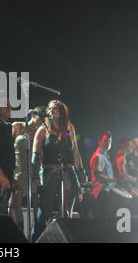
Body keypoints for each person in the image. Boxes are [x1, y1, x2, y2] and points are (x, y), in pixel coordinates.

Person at [30, 100, 85, 242]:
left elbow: (75, 152)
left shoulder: (69, 129)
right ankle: (36, 239)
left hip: (68, 173)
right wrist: (35, 176)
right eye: (50, 108)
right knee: (44, 211)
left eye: (54, 109)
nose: (51, 111)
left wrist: (81, 172)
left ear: (61, 112)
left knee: (67, 211)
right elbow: (35, 155)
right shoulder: (42, 130)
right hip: (49, 173)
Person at [10, 106, 46, 231]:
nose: (43, 122)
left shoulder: (43, 132)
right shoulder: (18, 126)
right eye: (41, 118)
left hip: (34, 172)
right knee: (15, 205)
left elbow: (42, 155)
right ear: (34, 116)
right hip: (19, 171)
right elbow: (8, 149)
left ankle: (35, 233)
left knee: (38, 206)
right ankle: (19, 232)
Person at [0, 90, 20, 216]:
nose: (9, 107)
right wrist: (1, 175)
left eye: (9, 104)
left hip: (6, 179)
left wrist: (12, 177)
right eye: (5, 104)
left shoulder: (6, 126)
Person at [89, 131, 119, 218]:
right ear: (99, 141)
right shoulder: (98, 156)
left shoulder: (106, 156)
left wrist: (114, 183)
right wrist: (116, 179)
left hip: (107, 192)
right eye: (106, 141)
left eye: (110, 141)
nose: (108, 143)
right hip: (102, 193)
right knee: (102, 220)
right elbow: (99, 177)